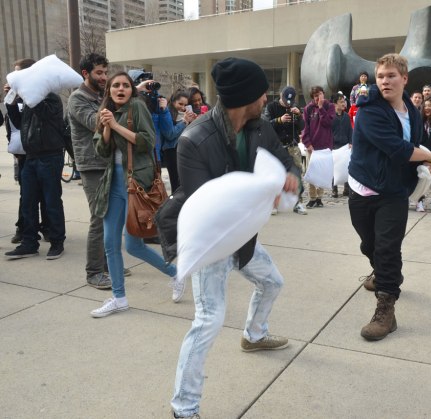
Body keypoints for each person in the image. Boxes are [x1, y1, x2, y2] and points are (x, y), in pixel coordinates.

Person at [170, 57, 299, 419]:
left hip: (244, 238)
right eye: (262, 93)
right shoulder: (194, 141)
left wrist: (289, 178)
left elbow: (286, 160)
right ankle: (184, 407)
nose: (267, 98)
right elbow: (207, 206)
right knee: (209, 320)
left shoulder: (260, 127)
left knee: (273, 282)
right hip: (212, 244)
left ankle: (254, 335)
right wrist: (262, 192)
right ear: (246, 96)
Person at [348, 53, 431, 341]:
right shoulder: (369, 110)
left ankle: (386, 310)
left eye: (391, 76)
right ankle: (381, 272)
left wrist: (422, 162)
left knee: (388, 248)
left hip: (394, 192)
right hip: (363, 188)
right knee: (370, 244)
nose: (385, 81)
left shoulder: (412, 112)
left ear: (404, 78)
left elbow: (409, 148)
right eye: (380, 76)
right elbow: (396, 148)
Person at [90, 72, 181, 318]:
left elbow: (148, 141)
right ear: (109, 90)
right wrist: (107, 127)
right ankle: (119, 298)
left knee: (133, 246)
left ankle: (176, 274)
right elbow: (101, 150)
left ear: (132, 90)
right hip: (113, 184)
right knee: (111, 243)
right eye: (115, 85)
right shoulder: (105, 113)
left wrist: (116, 125)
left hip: (136, 184)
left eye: (125, 85)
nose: (121, 89)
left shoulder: (137, 108)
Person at [5, 58, 66, 261]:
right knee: (28, 202)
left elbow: (46, 114)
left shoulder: (51, 98)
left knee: (51, 201)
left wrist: (27, 94)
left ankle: (57, 242)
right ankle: (29, 242)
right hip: (30, 156)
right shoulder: (29, 99)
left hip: (50, 155)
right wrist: (12, 102)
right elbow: (18, 123)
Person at [67, 53, 114, 288]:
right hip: (91, 165)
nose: (104, 77)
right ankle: (94, 272)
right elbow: (95, 122)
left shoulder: (100, 96)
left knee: (111, 216)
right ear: (86, 74)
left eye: (106, 72)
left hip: (107, 162)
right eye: (99, 73)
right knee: (98, 217)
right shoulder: (78, 98)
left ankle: (108, 264)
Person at [264, 85, 307, 214]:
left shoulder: (295, 108)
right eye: (286, 99)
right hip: (276, 146)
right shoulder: (271, 107)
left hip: (292, 145)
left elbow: (303, 126)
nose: (288, 103)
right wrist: (279, 120)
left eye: (291, 100)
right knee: (275, 175)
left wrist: (299, 115)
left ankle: (297, 202)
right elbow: (265, 125)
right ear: (280, 95)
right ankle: (273, 204)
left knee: (297, 173)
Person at [302, 85, 335, 208]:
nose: (318, 98)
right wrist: (307, 143)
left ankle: (319, 198)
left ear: (323, 94)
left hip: (325, 146)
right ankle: (312, 197)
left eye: (320, 94)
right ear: (312, 97)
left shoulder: (330, 106)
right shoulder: (308, 109)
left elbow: (328, 123)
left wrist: (321, 108)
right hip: (312, 147)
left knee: (322, 172)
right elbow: (305, 128)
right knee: (311, 173)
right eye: (316, 96)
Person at [160, 90, 197, 193]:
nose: (183, 107)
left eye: (185, 105)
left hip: (183, 149)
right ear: (173, 102)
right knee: (176, 183)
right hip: (171, 151)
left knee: (184, 182)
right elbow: (170, 134)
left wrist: (192, 122)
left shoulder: (181, 114)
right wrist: (184, 121)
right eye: (180, 104)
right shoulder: (166, 112)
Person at [331, 91, 352, 197]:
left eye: (344, 101)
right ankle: (334, 189)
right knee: (334, 168)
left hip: (345, 145)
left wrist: (351, 142)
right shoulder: (330, 117)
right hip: (333, 146)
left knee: (346, 167)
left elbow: (350, 130)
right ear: (335, 103)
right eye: (341, 102)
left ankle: (347, 188)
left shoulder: (347, 116)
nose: (343, 104)